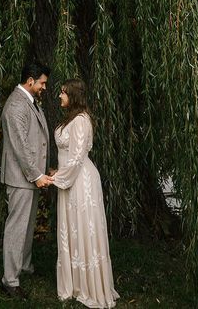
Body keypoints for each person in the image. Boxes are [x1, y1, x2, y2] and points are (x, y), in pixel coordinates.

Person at [51, 78, 119, 308]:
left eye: (63, 93)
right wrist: (58, 173)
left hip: (81, 181)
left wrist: (56, 178)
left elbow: (78, 157)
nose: (60, 96)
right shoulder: (72, 118)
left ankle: (89, 285)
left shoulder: (81, 121)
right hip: (70, 179)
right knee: (72, 228)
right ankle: (75, 282)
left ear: (74, 96)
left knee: (82, 227)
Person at [0, 61, 53, 299]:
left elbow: (36, 140)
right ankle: (9, 281)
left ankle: (24, 266)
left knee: (27, 227)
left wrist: (43, 170)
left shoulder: (29, 102)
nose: (44, 87)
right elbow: (20, 146)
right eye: (42, 83)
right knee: (16, 229)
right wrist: (36, 175)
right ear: (30, 80)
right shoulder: (15, 105)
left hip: (30, 177)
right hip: (21, 178)